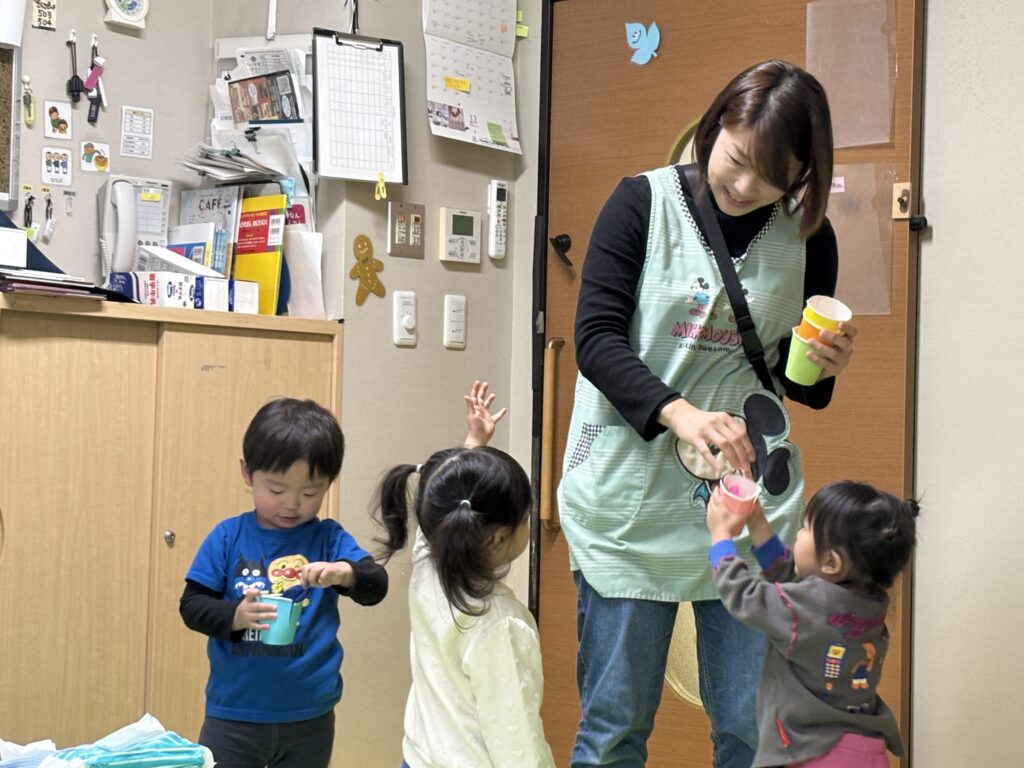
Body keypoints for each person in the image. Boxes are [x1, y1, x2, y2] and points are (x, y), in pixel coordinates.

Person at [557, 59, 858, 768]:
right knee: (614, 731)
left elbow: (793, 382)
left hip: (747, 513)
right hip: (630, 506)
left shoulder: (810, 238)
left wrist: (825, 368)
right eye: (738, 159)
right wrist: (679, 412)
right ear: (718, 122)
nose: (745, 186)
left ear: (803, 176)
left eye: (773, 176)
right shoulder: (641, 202)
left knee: (753, 732)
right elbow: (595, 339)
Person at [179, 397, 388, 768]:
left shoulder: (328, 538)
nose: (292, 504)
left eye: (310, 493)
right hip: (233, 715)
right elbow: (192, 606)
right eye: (276, 490)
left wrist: (345, 573)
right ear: (247, 474)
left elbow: (377, 585)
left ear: (329, 483)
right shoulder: (227, 536)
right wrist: (235, 617)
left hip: (311, 716)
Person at [374, 381, 555, 768]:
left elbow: (442, 509)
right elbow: (517, 742)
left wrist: (474, 444)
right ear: (499, 536)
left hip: (417, 758)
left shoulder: (429, 565)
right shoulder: (500, 625)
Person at [705, 481, 918, 767]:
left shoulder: (802, 609)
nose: (798, 532)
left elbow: (743, 595)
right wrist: (757, 522)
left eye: (805, 527)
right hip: (867, 749)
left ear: (831, 563)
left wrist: (720, 536)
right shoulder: (870, 603)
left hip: (814, 753)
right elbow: (791, 581)